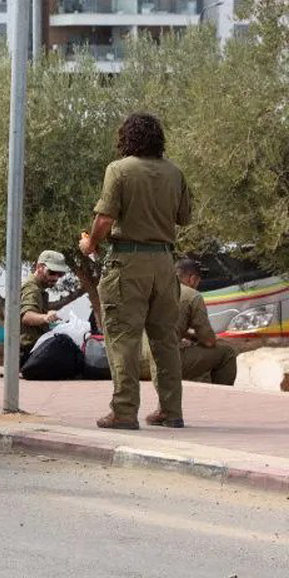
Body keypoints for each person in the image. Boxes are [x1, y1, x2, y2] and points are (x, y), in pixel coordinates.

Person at [79, 112, 192, 430]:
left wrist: (90, 245)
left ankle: (124, 411)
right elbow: (184, 217)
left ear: (127, 138)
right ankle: (171, 411)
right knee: (165, 340)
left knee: (124, 339)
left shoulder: (119, 170)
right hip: (164, 263)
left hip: (128, 263)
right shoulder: (175, 173)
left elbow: (103, 220)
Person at [160, 259, 237, 385]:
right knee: (226, 353)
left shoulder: (154, 290)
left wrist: (189, 336)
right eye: (197, 282)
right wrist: (207, 339)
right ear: (192, 279)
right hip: (163, 363)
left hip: (137, 361)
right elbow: (208, 340)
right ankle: (221, 399)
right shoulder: (192, 295)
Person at [20, 251, 70, 365]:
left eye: (60, 274)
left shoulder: (40, 289)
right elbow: (27, 316)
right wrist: (45, 317)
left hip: (34, 349)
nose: (56, 277)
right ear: (39, 267)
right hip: (29, 351)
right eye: (52, 272)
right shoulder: (32, 289)